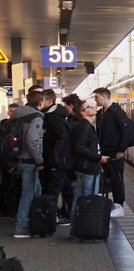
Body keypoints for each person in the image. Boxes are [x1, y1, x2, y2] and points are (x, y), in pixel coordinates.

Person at [94, 87, 134, 217]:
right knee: (110, 178)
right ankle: (113, 203)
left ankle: (119, 205)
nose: (95, 100)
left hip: (114, 152)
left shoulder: (116, 111)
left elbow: (125, 131)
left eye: (97, 97)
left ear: (104, 96)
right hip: (105, 151)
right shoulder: (101, 113)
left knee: (117, 178)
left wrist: (121, 149)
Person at [12, 88, 48, 238]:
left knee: (36, 192)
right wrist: (39, 160)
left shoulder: (18, 114)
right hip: (29, 160)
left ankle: (33, 222)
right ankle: (20, 228)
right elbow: (32, 140)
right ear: (40, 102)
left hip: (18, 158)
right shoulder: (36, 117)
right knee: (28, 194)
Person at [41, 89, 74, 225]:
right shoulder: (54, 115)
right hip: (60, 160)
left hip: (57, 160)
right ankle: (71, 215)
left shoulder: (52, 117)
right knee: (65, 188)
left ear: (49, 101)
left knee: (53, 190)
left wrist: (44, 134)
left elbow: (62, 136)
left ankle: (51, 217)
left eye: (42, 100)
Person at [65, 95, 102, 209]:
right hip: (88, 167)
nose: (92, 107)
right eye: (89, 107)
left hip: (82, 167)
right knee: (88, 198)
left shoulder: (84, 126)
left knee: (79, 196)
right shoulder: (85, 127)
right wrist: (98, 158)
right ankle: (86, 223)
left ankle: (76, 222)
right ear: (83, 113)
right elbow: (79, 147)